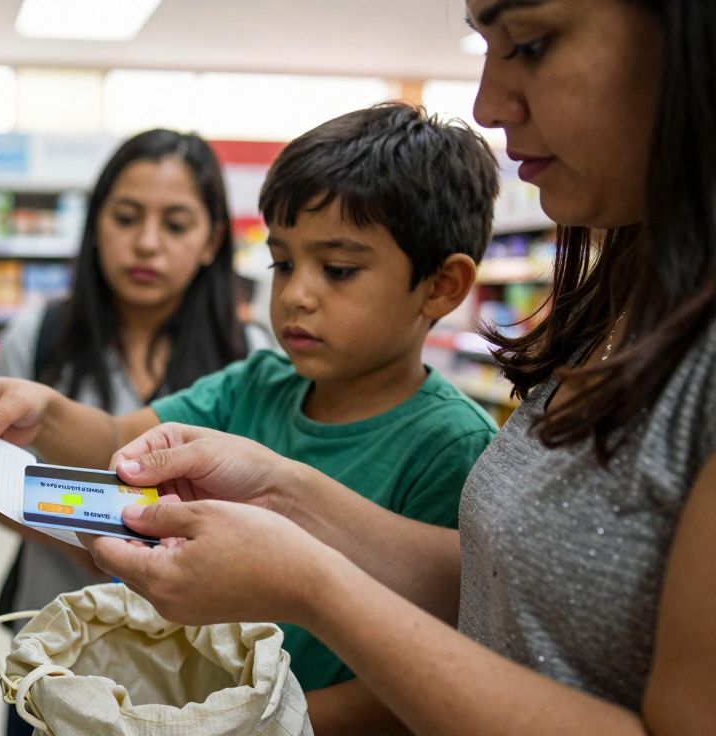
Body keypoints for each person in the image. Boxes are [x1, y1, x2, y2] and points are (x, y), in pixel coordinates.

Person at [84, 1, 716, 733]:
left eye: (531, 43)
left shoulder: (453, 435)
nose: (487, 103)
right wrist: (283, 493)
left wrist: (311, 586)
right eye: (283, 263)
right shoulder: (620, 307)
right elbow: (505, 593)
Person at [0, 103, 501, 733]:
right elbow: (118, 442)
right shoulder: (256, 382)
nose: (296, 294)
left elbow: (433, 673)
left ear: (441, 286)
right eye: (283, 263)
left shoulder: (452, 447)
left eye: (339, 270)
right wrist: (47, 414)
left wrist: (253, 724)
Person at [0, 129, 256, 736]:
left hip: (193, 669)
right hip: (54, 646)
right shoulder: (41, 337)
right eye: (127, 217)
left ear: (212, 240)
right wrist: (81, 547)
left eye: (176, 224)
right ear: (96, 224)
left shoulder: (250, 362)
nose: (147, 243)